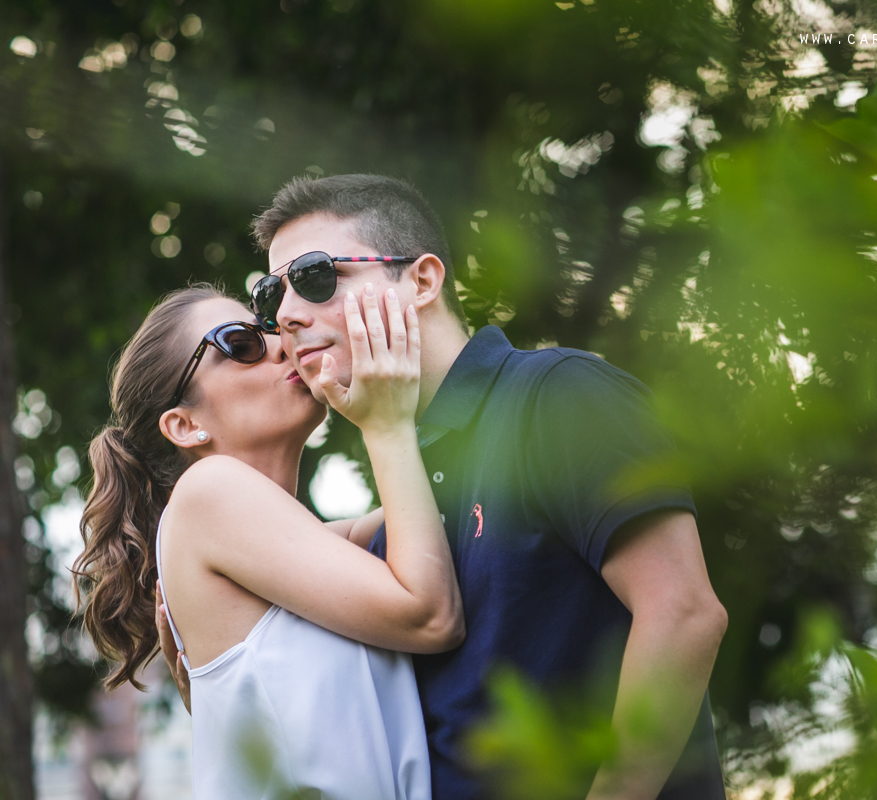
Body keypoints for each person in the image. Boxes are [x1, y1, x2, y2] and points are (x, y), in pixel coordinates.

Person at [162, 174, 730, 800]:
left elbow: (684, 615)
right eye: (274, 295)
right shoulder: (402, 504)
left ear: (422, 281)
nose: (287, 316)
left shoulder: (557, 396)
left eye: (318, 277)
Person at [75, 281, 463, 800]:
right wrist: (386, 425)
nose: (282, 342)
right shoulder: (207, 492)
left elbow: (437, 511)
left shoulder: (293, 546)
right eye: (240, 344)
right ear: (185, 425)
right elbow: (431, 613)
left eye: (270, 328)